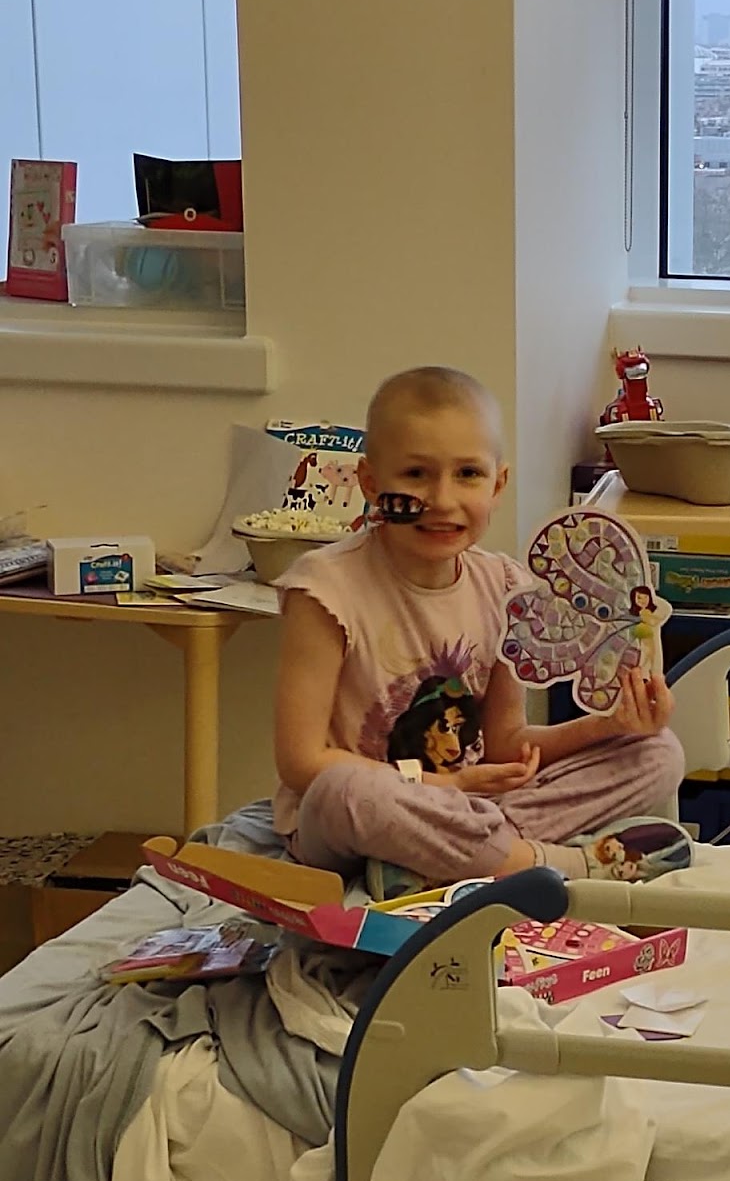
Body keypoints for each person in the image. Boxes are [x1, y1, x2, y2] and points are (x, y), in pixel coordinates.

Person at [272, 365, 691, 898]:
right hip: (355, 822)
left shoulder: (505, 588)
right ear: (371, 484)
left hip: (471, 809)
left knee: (657, 754)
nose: (443, 500)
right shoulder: (324, 589)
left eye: (468, 474)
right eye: (416, 475)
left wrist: (612, 725)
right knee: (344, 790)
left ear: (499, 484)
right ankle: (551, 863)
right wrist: (445, 786)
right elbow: (302, 763)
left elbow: (505, 746)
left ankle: (434, 864)